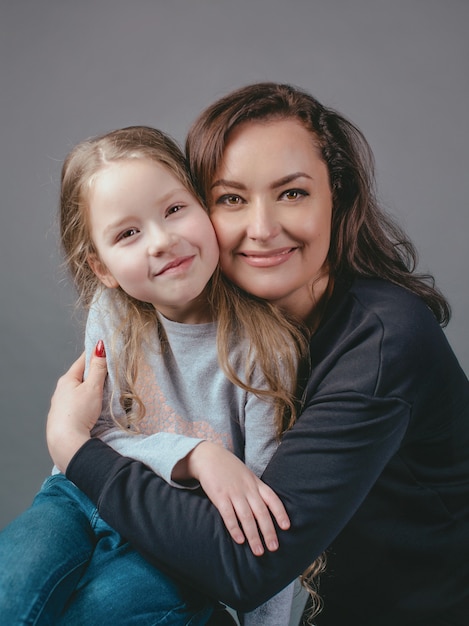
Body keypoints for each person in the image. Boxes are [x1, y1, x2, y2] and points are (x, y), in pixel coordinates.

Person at [46, 82, 469, 626]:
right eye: (231, 199)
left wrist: (74, 448)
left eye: (293, 193)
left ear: (336, 199)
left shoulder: (384, 341)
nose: (262, 230)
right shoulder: (221, 325)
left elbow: (245, 564)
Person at [0, 124, 317, 625]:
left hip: (173, 542)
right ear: (101, 266)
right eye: (128, 233)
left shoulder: (263, 349)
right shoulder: (113, 312)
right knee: (13, 592)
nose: (162, 241)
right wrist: (196, 456)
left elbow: (263, 522)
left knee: (96, 614)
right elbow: (90, 438)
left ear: (206, 209)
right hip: (78, 498)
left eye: (174, 210)